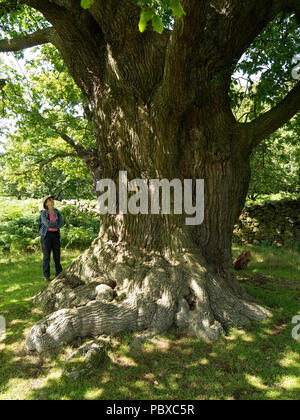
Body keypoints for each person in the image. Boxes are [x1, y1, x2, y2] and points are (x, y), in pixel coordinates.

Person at [39, 195, 64, 282]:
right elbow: (47, 224)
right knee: (46, 256)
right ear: (46, 203)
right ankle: (46, 276)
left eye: (52, 199)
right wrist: (55, 224)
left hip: (56, 235)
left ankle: (59, 274)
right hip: (46, 236)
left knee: (57, 255)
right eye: (50, 199)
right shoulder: (43, 213)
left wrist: (54, 224)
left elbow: (61, 223)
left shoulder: (57, 212)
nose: (52, 200)